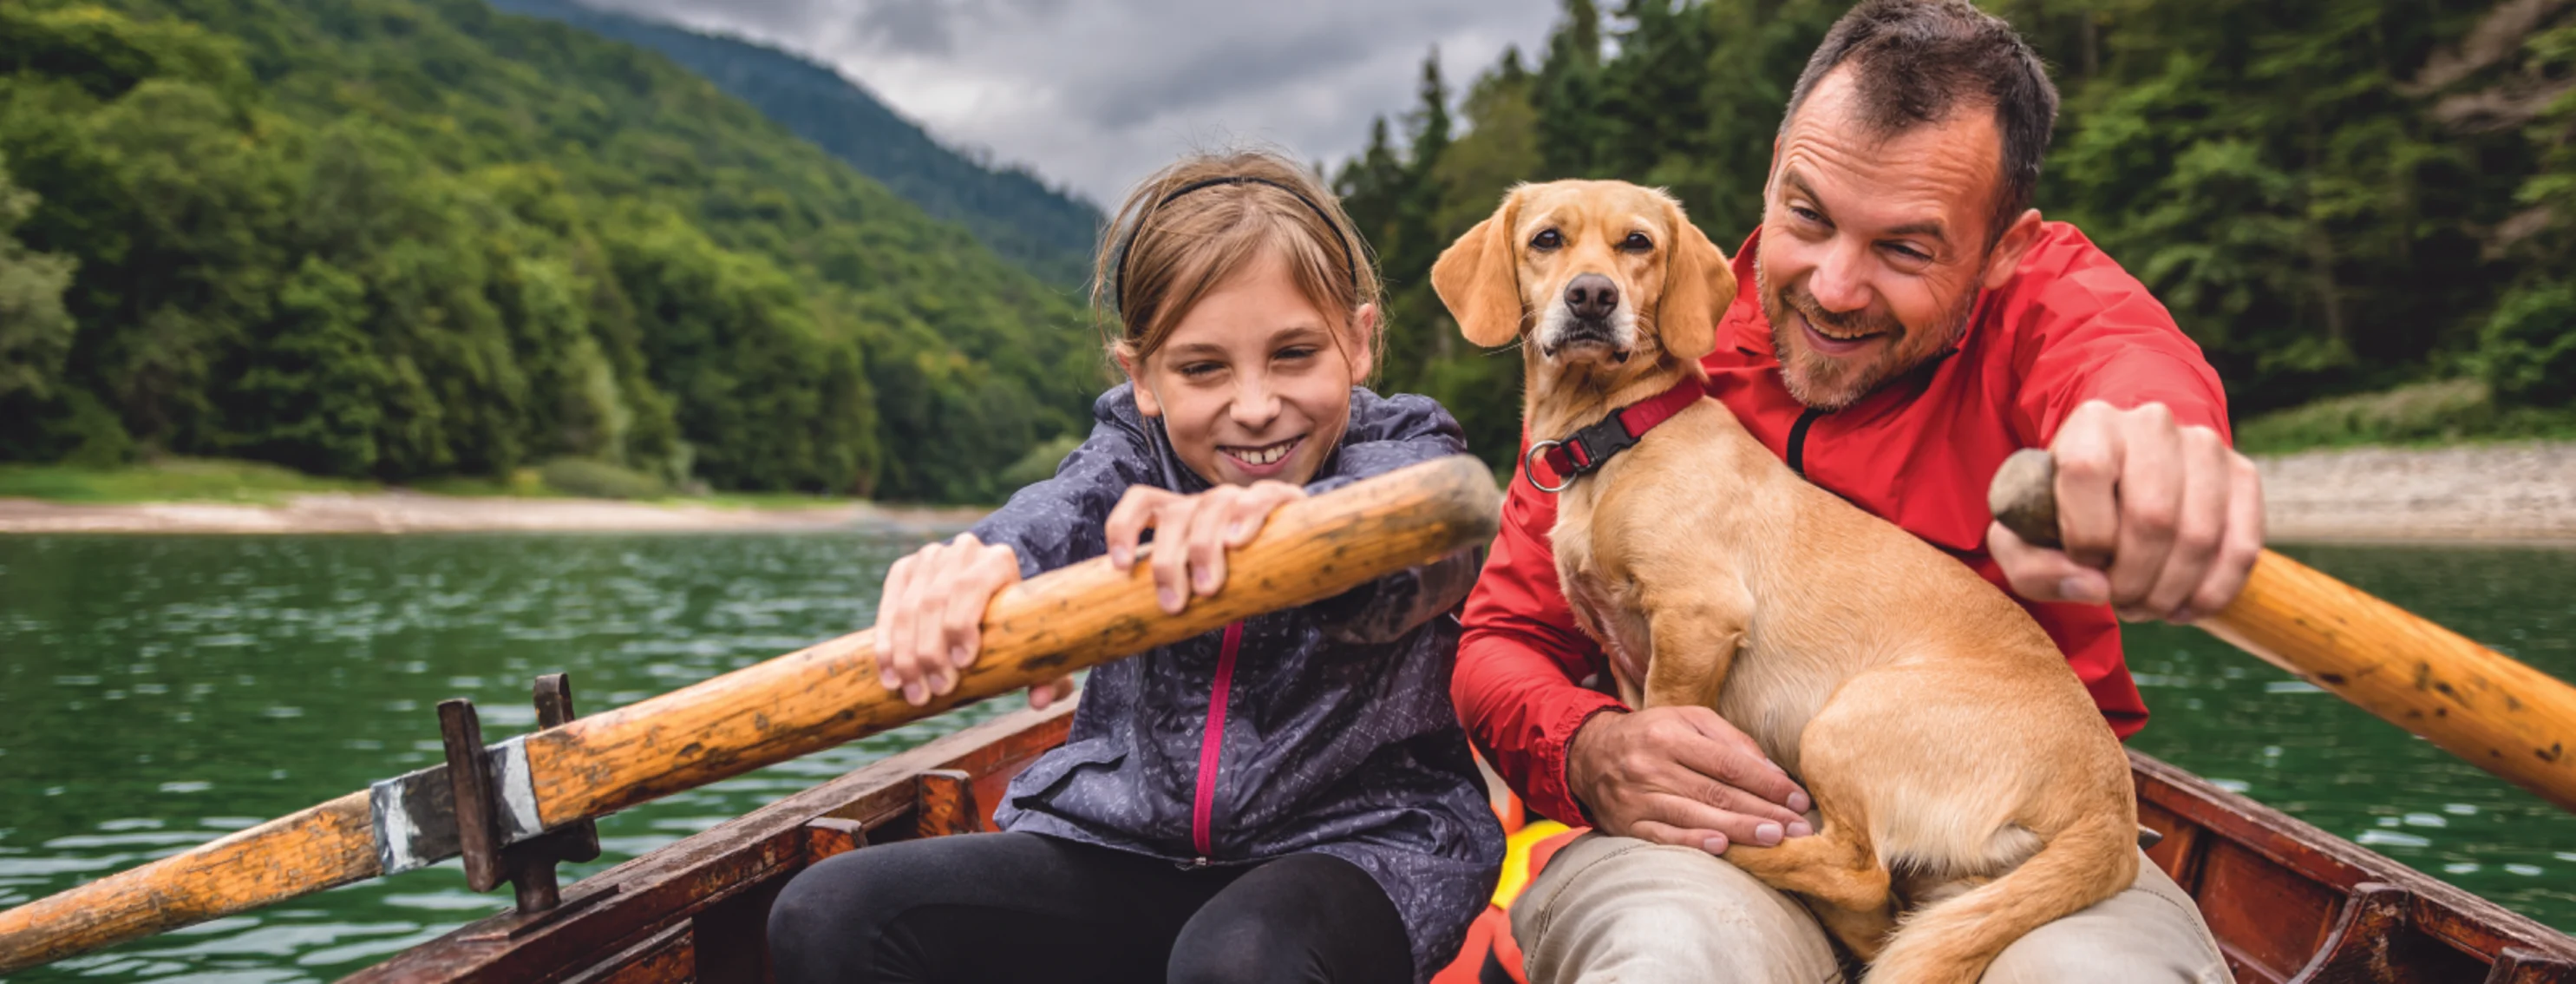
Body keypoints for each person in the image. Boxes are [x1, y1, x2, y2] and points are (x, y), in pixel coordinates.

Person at [1450, 2, 2262, 981]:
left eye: (1906, 248)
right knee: (1670, 955)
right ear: (1776, 165)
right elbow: (1500, 644)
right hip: (1737, 837)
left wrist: (2150, 442)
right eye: (1809, 216)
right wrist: (1590, 748)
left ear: (2001, 248)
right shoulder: (1628, 391)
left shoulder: (2043, 302)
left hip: (2023, 833)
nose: (1835, 287)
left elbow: (2124, 358)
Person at [766, 148, 1503, 984]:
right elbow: (1057, 514)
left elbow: (1426, 541)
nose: (1256, 406)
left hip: (1358, 852)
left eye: (1295, 354)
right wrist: (981, 560)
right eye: (1201, 368)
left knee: (1236, 964)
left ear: (1359, 343)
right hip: (1126, 843)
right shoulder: (1129, 456)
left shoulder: (1406, 450)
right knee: (832, 913)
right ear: (1142, 376)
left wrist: (1297, 529)